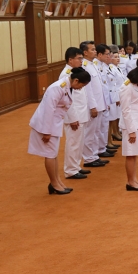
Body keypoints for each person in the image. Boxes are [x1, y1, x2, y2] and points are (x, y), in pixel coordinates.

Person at [29, 68, 92, 194]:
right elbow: (48, 110)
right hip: (46, 125)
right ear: (76, 80)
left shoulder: (66, 86)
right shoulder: (57, 88)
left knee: (53, 154)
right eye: (82, 85)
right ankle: (54, 184)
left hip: (54, 124)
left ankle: (57, 181)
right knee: (50, 155)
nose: (81, 88)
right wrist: (46, 132)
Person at [59, 47, 91, 180]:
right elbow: (66, 100)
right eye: (79, 58)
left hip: (81, 113)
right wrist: (72, 118)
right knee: (73, 143)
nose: (81, 61)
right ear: (70, 60)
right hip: (74, 115)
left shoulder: (78, 72)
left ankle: (76, 166)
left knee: (79, 142)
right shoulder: (66, 75)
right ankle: (70, 170)